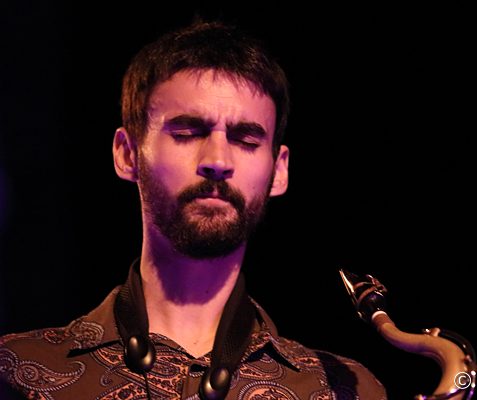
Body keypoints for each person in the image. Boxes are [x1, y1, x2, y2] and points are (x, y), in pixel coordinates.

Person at [0, 19, 387, 399]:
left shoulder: (346, 389)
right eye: (187, 133)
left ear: (279, 170)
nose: (217, 160)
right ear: (127, 153)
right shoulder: (13, 372)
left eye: (246, 140)